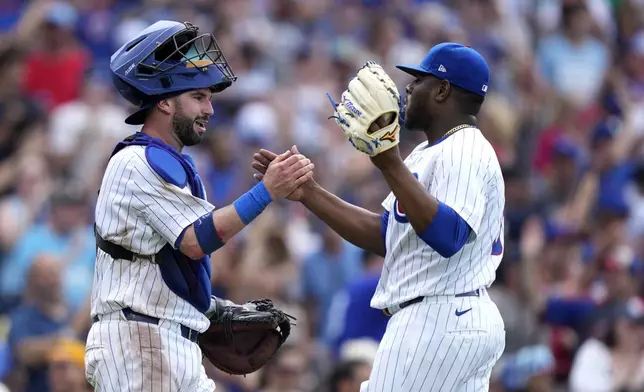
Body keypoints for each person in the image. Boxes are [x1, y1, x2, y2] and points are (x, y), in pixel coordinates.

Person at [253, 43, 506, 391]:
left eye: (419, 81)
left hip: (441, 317)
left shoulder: (464, 149)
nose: (409, 88)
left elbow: (450, 235)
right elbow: (384, 234)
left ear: (443, 90)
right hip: (446, 317)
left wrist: (389, 162)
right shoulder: (429, 153)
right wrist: (309, 192)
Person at [84, 20, 313, 392]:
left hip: (164, 340)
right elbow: (195, 240)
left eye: (209, 98)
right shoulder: (137, 161)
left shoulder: (169, 162)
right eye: (198, 97)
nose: (209, 108)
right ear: (164, 100)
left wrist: (211, 308)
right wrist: (267, 191)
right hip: (140, 341)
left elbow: (166, 267)